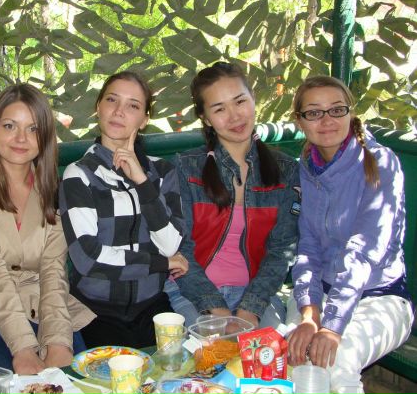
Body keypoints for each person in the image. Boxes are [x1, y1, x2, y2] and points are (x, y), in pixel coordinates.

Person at [0, 83, 95, 375]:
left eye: (33, 129)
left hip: (43, 307)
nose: (21, 138)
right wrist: (23, 348)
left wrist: (58, 342)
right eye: (10, 126)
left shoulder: (54, 192)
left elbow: (53, 272)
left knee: (77, 380)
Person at [286, 75, 414, 394]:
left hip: (380, 296)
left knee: (335, 362)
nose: (327, 120)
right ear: (299, 121)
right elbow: (308, 249)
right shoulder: (305, 168)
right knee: (291, 356)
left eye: (337, 109)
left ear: (350, 113)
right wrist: (309, 314)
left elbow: (364, 252)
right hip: (321, 292)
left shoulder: (380, 162)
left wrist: (331, 326)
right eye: (314, 112)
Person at [59, 71, 188, 348]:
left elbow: (170, 244)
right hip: (95, 311)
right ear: (98, 107)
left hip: (152, 305)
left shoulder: (162, 172)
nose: (119, 111)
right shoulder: (79, 174)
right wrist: (160, 264)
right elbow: (87, 258)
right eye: (112, 100)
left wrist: (142, 182)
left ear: (144, 119)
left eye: (133, 105)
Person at [171, 61, 300, 329]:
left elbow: (281, 250)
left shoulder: (286, 170)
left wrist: (249, 310)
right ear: (206, 118)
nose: (234, 116)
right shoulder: (187, 167)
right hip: (193, 293)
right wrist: (218, 311)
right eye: (219, 109)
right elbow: (180, 248)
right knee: (207, 351)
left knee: (270, 350)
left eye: (240, 101)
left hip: (255, 295)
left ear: (253, 100)